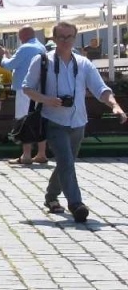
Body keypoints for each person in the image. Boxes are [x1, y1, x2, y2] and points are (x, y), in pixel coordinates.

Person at [22, 21, 128, 223]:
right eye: (61, 37)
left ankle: (51, 197)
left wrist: (115, 106)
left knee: (66, 162)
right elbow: (27, 88)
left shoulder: (83, 63)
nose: (65, 41)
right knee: (66, 161)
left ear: (75, 38)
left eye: (69, 36)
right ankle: (76, 204)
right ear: (53, 39)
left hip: (78, 121)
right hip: (53, 120)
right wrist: (47, 100)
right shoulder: (42, 61)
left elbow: (100, 89)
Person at [5, 26, 49, 167]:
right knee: (39, 119)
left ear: (22, 36)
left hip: (24, 89)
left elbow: (9, 65)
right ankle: (41, 153)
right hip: (39, 89)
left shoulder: (25, 48)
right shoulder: (41, 47)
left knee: (24, 120)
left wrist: (3, 57)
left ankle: (26, 155)